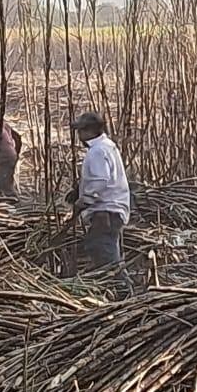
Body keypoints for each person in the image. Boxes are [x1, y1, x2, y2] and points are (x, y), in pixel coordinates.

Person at [70, 111, 132, 292]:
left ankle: (123, 292)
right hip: (112, 209)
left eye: (80, 131)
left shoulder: (97, 151)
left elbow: (100, 180)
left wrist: (84, 200)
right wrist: (78, 191)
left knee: (103, 251)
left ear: (89, 131)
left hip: (106, 210)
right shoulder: (107, 146)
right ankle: (117, 289)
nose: (79, 136)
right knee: (103, 248)